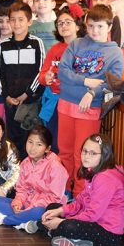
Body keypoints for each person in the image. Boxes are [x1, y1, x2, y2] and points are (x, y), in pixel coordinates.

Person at [57, 4, 123, 195]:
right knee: (64, 152)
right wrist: (86, 81)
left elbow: (112, 83)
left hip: (89, 109)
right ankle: (62, 192)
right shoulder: (76, 44)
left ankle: (80, 196)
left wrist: (92, 92)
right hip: (66, 104)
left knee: (84, 155)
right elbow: (63, 71)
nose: (95, 31)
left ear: (109, 27)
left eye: (100, 26)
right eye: (91, 26)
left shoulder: (115, 52)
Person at [30, 134, 124, 246]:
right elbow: (80, 201)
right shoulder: (92, 170)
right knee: (52, 207)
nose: (86, 156)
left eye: (93, 153)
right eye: (85, 151)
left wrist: (61, 222)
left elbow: (92, 215)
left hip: (108, 233)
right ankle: (63, 236)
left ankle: (51, 230)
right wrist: (60, 211)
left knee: (67, 227)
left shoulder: (105, 179)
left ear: (104, 155)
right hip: (92, 222)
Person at [0, 125, 66, 227]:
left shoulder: (55, 166)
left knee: (38, 212)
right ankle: (25, 221)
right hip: (26, 204)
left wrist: (30, 208)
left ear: (47, 148)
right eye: (30, 142)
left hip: (43, 207)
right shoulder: (25, 163)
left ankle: (4, 220)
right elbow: (22, 190)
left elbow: (54, 197)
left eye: (39, 144)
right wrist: (17, 203)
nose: (33, 148)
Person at [0, 3, 44, 156]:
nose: (16, 24)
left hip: (30, 101)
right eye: (13, 19)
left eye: (21, 19)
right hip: (11, 101)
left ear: (29, 21)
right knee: (12, 138)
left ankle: (29, 168)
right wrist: (6, 95)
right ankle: (15, 168)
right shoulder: (4, 45)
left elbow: (41, 72)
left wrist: (27, 93)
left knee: (29, 138)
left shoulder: (36, 43)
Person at [37, 9, 79, 153]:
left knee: (73, 143)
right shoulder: (54, 49)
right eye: (60, 23)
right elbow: (42, 76)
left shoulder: (84, 48)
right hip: (55, 102)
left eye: (68, 22)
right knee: (55, 143)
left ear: (77, 25)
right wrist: (46, 78)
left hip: (75, 102)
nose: (63, 26)